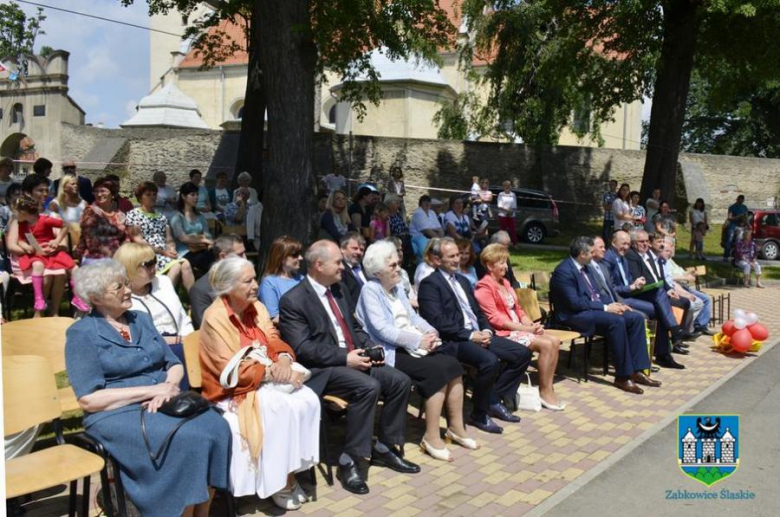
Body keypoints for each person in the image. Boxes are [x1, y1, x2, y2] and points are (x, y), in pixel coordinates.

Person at [65, 260, 230, 517]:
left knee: (216, 425)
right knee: (186, 437)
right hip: (114, 412)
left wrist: (169, 386)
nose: (128, 290)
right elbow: (89, 399)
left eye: (126, 284)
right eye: (118, 287)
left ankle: (202, 512)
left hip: (162, 399)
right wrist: (152, 391)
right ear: (95, 298)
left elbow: (174, 364)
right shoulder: (81, 333)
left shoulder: (140, 319)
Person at [279, 240, 420, 495]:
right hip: (323, 369)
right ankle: (350, 460)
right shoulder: (294, 300)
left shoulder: (339, 289)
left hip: (353, 359)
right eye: (337, 262)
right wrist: (345, 357)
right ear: (319, 265)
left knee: (400, 381)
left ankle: (385, 448)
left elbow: (355, 328)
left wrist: (368, 348)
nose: (343, 267)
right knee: (368, 386)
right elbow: (303, 348)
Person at [199, 256, 320, 510]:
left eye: (254, 278)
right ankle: (279, 481)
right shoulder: (215, 316)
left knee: (307, 399)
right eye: (248, 281)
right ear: (229, 287)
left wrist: (285, 359)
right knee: (281, 408)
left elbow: (272, 337)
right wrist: (272, 373)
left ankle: (291, 471)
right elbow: (227, 368)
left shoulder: (257, 308)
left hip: (264, 376)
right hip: (232, 388)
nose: (256, 285)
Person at [356, 241, 477, 461]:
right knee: (437, 372)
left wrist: (431, 332)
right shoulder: (370, 290)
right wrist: (418, 341)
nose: (398, 269)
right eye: (392, 266)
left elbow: (413, 317)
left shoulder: (396, 287)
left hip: (414, 344)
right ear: (377, 271)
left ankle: (456, 428)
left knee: (453, 366)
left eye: (397, 264)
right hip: (391, 350)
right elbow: (381, 329)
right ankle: (431, 437)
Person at [417, 237, 532, 434]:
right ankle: (479, 414)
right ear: (437, 260)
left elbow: (478, 313)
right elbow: (438, 321)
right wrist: (471, 336)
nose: (457, 259)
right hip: (454, 340)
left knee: (522, 354)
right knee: (489, 362)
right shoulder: (430, 284)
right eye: (451, 256)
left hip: (478, 334)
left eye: (457, 255)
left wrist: (486, 330)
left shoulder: (462, 280)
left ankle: (492, 398)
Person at [549, 236, 659, 395]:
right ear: (581, 254)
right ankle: (622, 376)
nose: (594, 255)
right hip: (573, 316)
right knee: (616, 321)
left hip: (591, 310)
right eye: (591, 252)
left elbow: (598, 295)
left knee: (634, 318)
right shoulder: (564, 272)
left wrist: (617, 304)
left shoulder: (586, 267)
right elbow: (574, 304)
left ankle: (638, 369)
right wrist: (606, 308)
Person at [474, 243, 563, 409]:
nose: (506, 266)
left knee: (555, 341)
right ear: (489, 265)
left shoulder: (506, 283)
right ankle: (544, 391)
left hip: (520, 328)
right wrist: (525, 329)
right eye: (501, 263)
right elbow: (495, 319)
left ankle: (548, 388)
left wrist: (531, 324)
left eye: (505, 262)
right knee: (546, 345)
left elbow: (518, 309)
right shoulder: (483, 287)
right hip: (505, 333)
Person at [114, 242, 195, 388]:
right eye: (149, 264)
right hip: (151, 350)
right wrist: (180, 340)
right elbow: (139, 337)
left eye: (155, 261)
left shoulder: (163, 283)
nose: (155, 267)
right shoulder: (122, 298)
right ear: (130, 267)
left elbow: (183, 319)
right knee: (179, 351)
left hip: (182, 340)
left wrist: (191, 339)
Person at [602, 231, 686, 369]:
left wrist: (636, 283)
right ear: (613, 242)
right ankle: (661, 347)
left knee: (660, 306)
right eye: (623, 243)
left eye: (628, 244)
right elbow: (611, 288)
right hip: (620, 298)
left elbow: (629, 278)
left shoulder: (622, 257)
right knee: (654, 309)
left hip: (631, 294)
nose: (626, 246)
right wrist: (631, 286)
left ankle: (661, 354)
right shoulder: (609, 258)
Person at [11, 195, 89, 315]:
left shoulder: (45, 220)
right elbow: (21, 240)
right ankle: (39, 299)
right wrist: (26, 247)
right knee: (38, 265)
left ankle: (77, 297)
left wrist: (56, 241)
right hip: (36, 253)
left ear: (23, 212)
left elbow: (65, 225)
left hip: (51, 252)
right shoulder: (22, 224)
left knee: (74, 269)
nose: (14, 215)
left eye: (15, 212)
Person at [5, 174, 67, 313]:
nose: (45, 194)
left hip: (48, 254)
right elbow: (12, 245)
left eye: (47, 190)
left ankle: (55, 312)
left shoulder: (51, 215)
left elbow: (63, 243)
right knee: (47, 273)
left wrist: (55, 245)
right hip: (26, 258)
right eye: (40, 190)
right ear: (28, 192)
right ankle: (39, 312)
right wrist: (31, 250)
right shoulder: (19, 215)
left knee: (61, 272)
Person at [625, 230, 695, 343]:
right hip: (640, 293)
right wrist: (661, 289)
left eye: (646, 241)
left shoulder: (647, 255)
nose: (645, 244)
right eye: (641, 241)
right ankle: (675, 331)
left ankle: (675, 338)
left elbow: (659, 277)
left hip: (654, 292)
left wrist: (669, 289)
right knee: (661, 301)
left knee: (682, 301)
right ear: (633, 243)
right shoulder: (632, 255)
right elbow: (638, 278)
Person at [126, 181, 194, 290]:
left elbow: (169, 239)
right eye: (148, 195)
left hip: (164, 253)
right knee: (176, 266)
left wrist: (172, 249)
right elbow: (138, 240)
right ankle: (166, 297)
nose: (152, 197)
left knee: (186, 264)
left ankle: (194, 301)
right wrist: (163, 252)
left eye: (154, 194)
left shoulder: (161, 217)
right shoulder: (133, 214)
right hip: (146, 253)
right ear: (140, 197)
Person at [659, 237, 714, 334]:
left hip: (682, 287)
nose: (672, 250)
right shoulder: (662, 262)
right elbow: (670, 279)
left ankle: (697, 326)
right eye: (668, 249)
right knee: (697, 302)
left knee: (704, 299)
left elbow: (678, 274)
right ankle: (687, 330)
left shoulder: (669, 260)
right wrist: (685, 278)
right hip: (676, 289)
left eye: (672, 247)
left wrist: (689, 274)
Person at [190, 234, 246, 329]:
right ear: (223, 256)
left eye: (244, 253)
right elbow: (208, 327)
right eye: (240, 255)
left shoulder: (246, 281)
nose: (245, 259)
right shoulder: (201, 290)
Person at [77, 176, 130, 264]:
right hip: (94, 257)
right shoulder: (90, 212)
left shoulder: (120, 215)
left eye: (103, 191)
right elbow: (91, 241)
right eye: (96, 191)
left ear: (112, 194)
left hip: (116, 257)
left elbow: (125, 238)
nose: (99, 194)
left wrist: (123, 253)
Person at [170, 182, 215, 274]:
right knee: (210, 261)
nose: (196, 197)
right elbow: (183, 238)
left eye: (197, 194)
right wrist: (204, 240)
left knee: (217, 256)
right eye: (192, 195)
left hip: (202, 249)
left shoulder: (200, 215)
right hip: (185, 251)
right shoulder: (177, 216)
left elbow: (207, 233)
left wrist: (208, 241)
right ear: (183, 196)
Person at [259, 236, 304, 322]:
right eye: (295, 255)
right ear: (282, 258)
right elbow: (273, 317)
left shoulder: (302, 279)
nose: (300, 258)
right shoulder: (269, 283)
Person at [409, 195, 444, 260]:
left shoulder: (432, 212)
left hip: (432, 235)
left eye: (429, 202)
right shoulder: (418, 212)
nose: (427, 204)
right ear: (420, 203)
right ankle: (424, 262)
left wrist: (441, 239)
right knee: (423, 242)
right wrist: (439, 240)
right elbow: (426, 230)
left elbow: (439, 228)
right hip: (417, 236)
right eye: (425, 202)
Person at [339, 232, 367, 309]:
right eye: (354, 248)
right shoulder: (339, 271)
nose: (358, 252)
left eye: (361, 250)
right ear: (342, 249)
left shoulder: (367, 269)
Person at [723, 195, 748, 260]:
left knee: (739, 242)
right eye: (740, 199)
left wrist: (746, 223)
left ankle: (737, 256)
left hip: (740, 226)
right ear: (737, 199)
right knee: (729, 240)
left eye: (742, 199)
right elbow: (729, 217)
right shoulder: (732, 207)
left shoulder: (744, 207)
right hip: (732, 225)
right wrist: (738, 216)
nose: (741, 201)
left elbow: (746, 217)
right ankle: (726, 256)